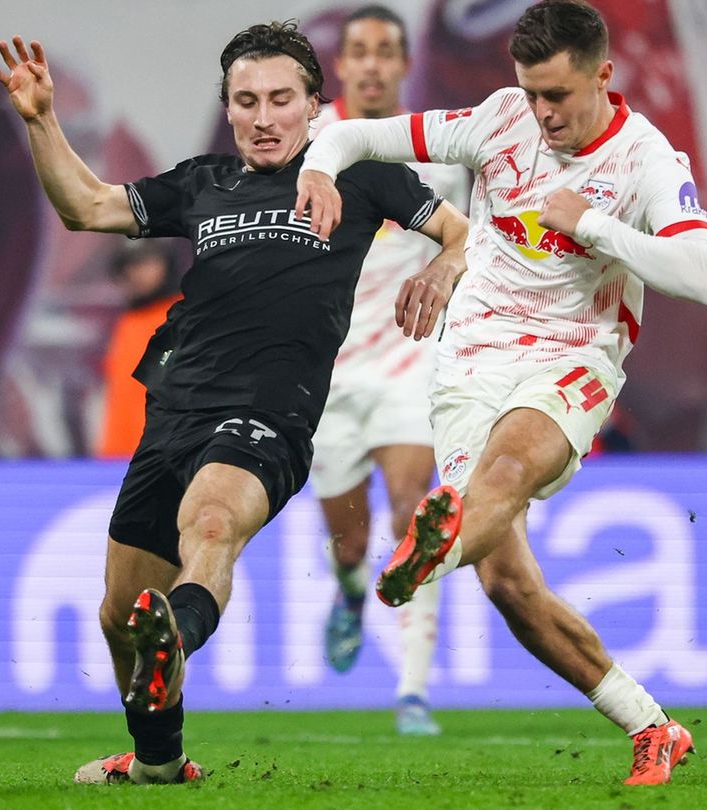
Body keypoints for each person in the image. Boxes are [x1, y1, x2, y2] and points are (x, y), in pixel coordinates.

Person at [0, 24, 469, 785]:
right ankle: (158, 760)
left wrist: (444, 269)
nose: (265, 116)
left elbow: (461, 233)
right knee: (119, 612)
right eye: (247, 101)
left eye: (282, 99)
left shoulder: (363, 175)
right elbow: (86, 207)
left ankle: (174, 638)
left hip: (271, 415)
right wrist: (41, 120)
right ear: (230, 110)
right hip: (175, 411)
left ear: (316, 107)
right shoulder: (203, 182)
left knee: (211, 525)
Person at [296, 0, 707, 786]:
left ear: (603, 74)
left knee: (505, 473)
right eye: (530, 93)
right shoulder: (498, 120)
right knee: (506, 581)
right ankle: (652, 726)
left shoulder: (645, 159)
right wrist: (320, 167)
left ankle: (428, 555)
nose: (542, 114)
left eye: (557, 96)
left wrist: (596, 224)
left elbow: (706, 276)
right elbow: (358, 132)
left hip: (572, 358)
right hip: (471, 360)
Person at [310, 4, 471, 736]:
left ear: (405, 64)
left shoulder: (439, 157)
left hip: (412, 363)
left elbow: (472, 249)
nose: (372, 64)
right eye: (359, 52)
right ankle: (348, 595)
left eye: (385, 52)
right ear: (341, 66)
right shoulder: (313, 148)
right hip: (328, 375)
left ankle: (413, 690)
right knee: (349, 539)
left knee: (416, 510)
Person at [95, 243, 181, 458]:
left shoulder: (183, 316)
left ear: (166, 265)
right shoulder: (127, 322)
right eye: (131, 265)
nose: (138, 273)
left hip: (167, 456)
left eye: (147, 263)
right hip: (119, 455)